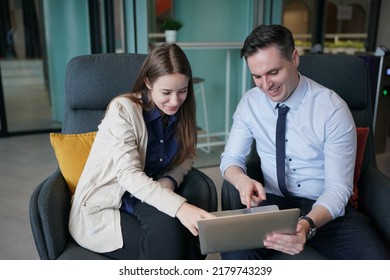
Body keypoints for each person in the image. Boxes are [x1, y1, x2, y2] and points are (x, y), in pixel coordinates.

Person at [220, 24, 390, 259]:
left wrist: (307, 224)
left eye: (273, 72)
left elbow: (338, 189)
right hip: (273, 205)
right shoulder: (250, 103)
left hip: (324, 208)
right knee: (234, 251)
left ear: (295, 58)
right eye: (257, 76)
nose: (265, 85)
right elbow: (231, 159)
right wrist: (241, 180)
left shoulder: (332, 109)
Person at [68, 43, 214, 260]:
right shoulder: (123, 110)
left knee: (186, 245)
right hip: (111, 202)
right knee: (172, 250)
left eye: (182, 91)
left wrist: (170, 181)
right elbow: (128, 175)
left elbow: (186, 157)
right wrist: (181, 207)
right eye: (166, 92)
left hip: (151, 194)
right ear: (148, 82)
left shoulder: (182, 112)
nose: (175, 101)